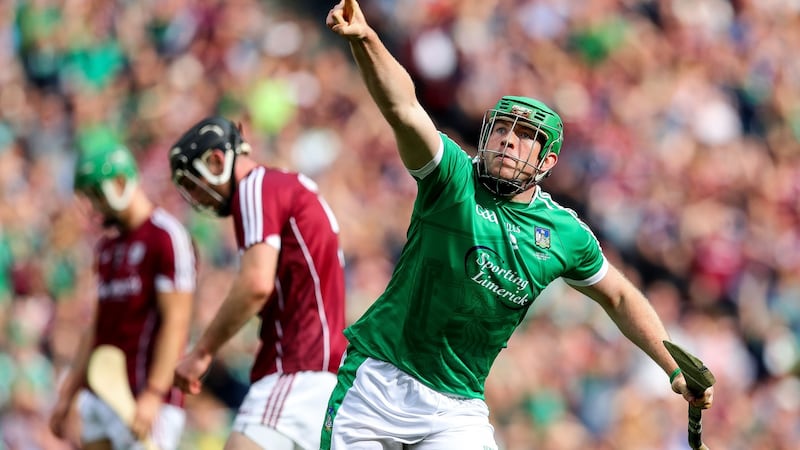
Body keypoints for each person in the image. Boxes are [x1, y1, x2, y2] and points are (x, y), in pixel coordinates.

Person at [322, 1, 715, 449]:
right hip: (377, 381)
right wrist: (366, 40)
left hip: (456, 405)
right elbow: (404, 109)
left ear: (547, 162)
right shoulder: (450, 177)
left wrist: (673, 365)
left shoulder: (564, 233)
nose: (510, 139)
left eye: (526, 136)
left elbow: (620, 296)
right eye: (502, 129)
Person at [168, 116, 348, 450]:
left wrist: (202, 353)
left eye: (192, 183)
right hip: (324, 372)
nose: (197, 198)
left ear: (216, 161)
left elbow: (256, 283)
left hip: (295, 368)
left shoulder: (255, 187)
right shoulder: (290, 186)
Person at [49, 144, 197, 450]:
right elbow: (97, 328)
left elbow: (177, 320)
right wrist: (69, 393)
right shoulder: (106, 248)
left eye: (95, 196)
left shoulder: (165, 236)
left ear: (118, 183)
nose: (92, 207)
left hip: (142, 398)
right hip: (101, 395)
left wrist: (154, 393)